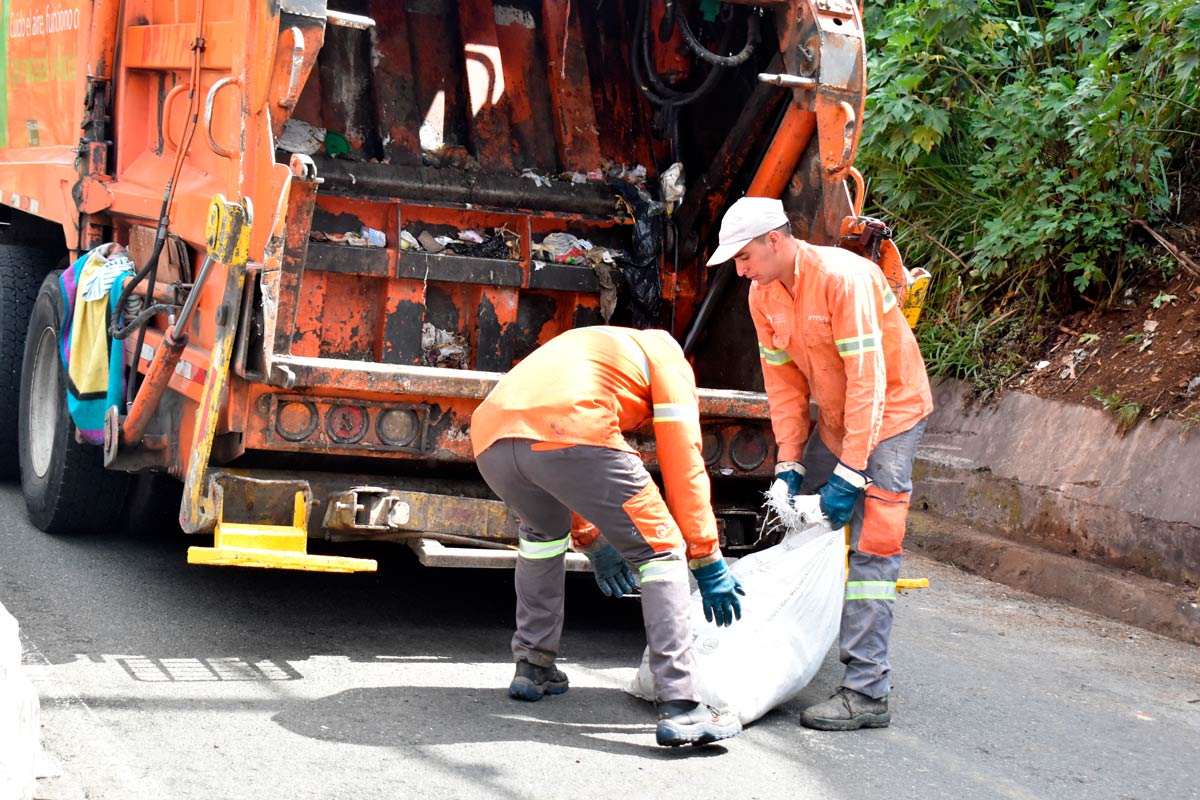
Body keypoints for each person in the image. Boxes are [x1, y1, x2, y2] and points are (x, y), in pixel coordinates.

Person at [706, 196, 933, 731]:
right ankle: (781, 663)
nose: (739, 270)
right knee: (801, 533)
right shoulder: (763, 296)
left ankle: (866, 692)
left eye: (744, 257)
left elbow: (869, 383)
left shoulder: (843, 279)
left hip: (892, 417)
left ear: (775, 241)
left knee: (874, 550)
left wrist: (852, 473)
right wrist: (789, 464)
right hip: (838, 420)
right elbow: (784, 389)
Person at [470, 325, 745, 747]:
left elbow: (568, 469)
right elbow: (683, 461)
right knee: (660, 549)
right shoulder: (669, 360)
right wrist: (706, 557)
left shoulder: (596, 347)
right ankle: (682, 706)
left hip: (490, 438)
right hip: (571, 427)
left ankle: (533, 666)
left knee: (542, 536)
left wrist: (592, 538)